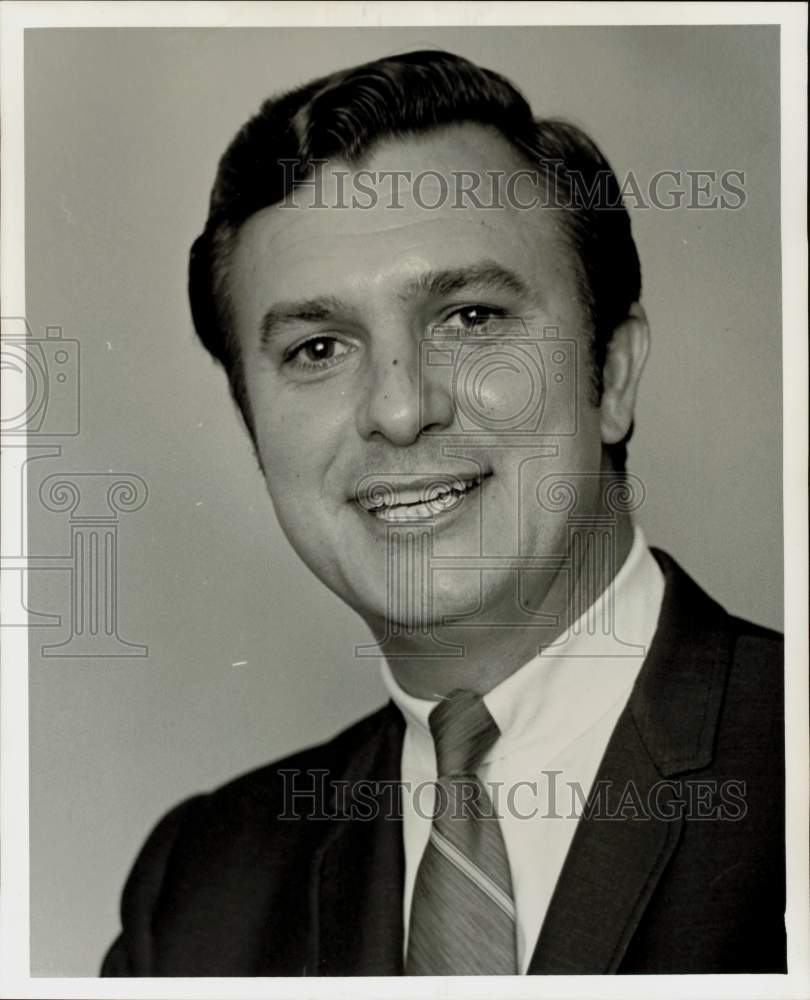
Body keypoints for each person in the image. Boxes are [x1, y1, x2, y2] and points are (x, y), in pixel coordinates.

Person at [101, 50, 785, 976]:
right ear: (253, 428)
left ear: (612, 372)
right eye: (317, 347)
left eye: (469, 319)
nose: (397, 408)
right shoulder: (202, 891)